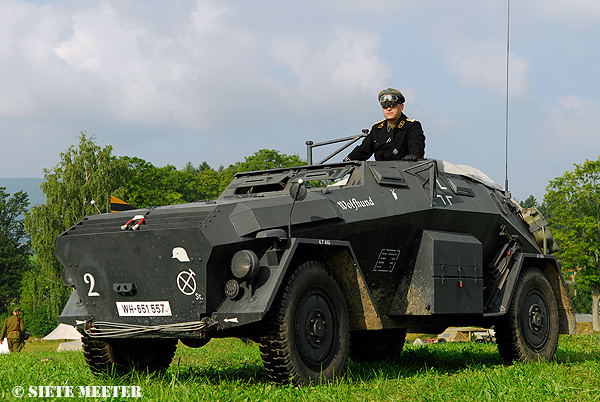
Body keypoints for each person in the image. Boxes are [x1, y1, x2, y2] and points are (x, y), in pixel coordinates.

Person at [345, 88, 425, 162]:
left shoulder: (412, 126)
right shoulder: (377, 129)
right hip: (379, 174)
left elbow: (417, 148)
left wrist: (413, 156)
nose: (388, 109)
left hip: (403, 173)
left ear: (401, 107)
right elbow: (363, 151)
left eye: (393, 106)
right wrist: (346, 162)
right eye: (385, 107)